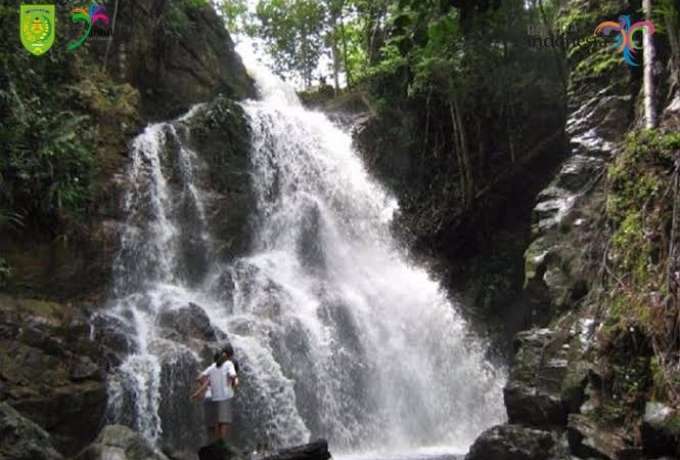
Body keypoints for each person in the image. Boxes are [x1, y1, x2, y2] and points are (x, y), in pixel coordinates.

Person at [191, 347, 239, 441]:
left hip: (209, 397)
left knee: (211, 424)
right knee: (223, 422)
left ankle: (212, 443)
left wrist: (197, 394)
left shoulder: (212, 368)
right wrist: (233, 385)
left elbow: (201, 379)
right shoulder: (228, 366)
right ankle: (221, 443)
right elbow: (234, 379)